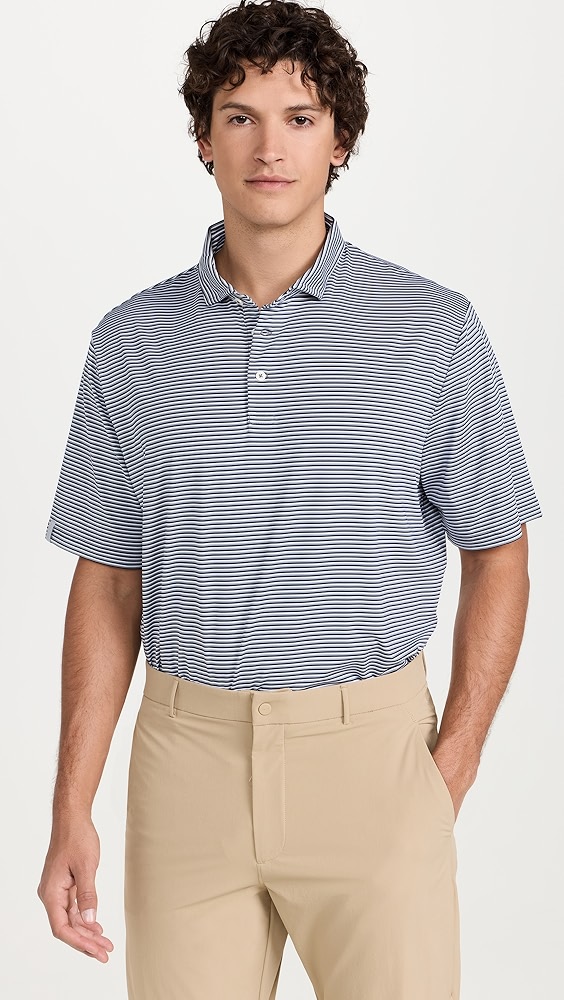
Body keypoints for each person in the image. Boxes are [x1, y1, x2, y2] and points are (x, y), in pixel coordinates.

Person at [37, 2, 543, 997]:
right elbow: (109, 578)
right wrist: (70, 806)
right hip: (184, 766)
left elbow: (499, 550)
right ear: (203, 139)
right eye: (240, 117)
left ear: (339, 140)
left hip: (373, 762)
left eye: (300, 118)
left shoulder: (431, 329)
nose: (270, 147)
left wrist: (454, 761)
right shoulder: (129, 342)